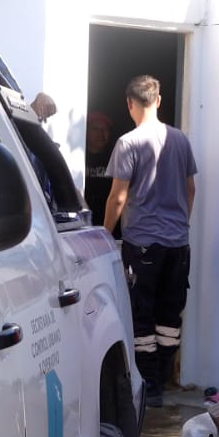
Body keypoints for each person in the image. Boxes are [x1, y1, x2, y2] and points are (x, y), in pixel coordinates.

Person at [103, 75, 197, 408]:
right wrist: (180, 225)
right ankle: (164, 379)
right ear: (158, 101)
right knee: (170, 314)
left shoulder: (128, 143)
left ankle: (150, 386)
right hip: (178, 244)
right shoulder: (181, 140)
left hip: (142, 242)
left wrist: (104, 234)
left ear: (130, 104)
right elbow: (190, 190)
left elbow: (118, 197)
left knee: (141, 314)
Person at [83, 111, 116, 227]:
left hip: (108, 223)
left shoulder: (114, 157)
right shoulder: (78, 158)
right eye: (95, 129)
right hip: (83, 222)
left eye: (105, 129)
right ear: (87, 131)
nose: (101, 134)